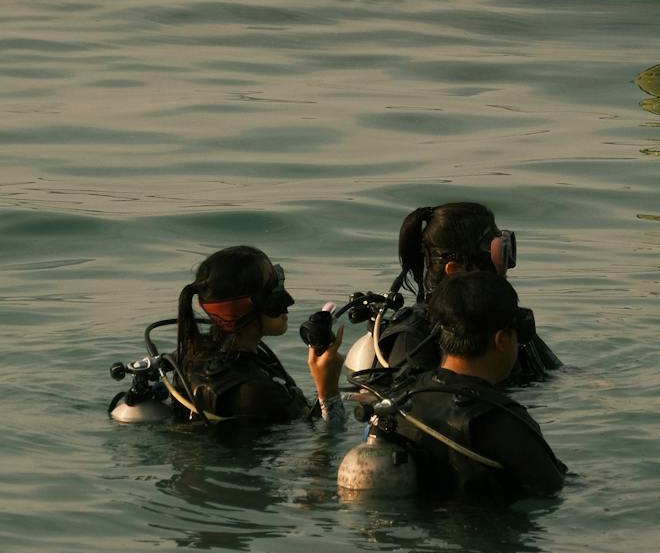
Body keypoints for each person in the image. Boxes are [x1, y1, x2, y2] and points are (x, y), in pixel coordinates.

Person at [390, 272, 567, 505]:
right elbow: (553, 490)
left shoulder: (402, 398)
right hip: (484, 533)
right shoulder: (503, 422)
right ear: (501, 340)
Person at [350, 199, 559, 391]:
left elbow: (556, 374)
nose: (505, 269)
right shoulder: (413, 340)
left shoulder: (501, 320)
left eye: (504, 252)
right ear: (455, 270)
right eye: (496, 257)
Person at [163, 245, 343, 425]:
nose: (289, 300)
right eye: (273, 291)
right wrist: (328, 390)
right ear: (244, 308)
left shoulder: (191, 360)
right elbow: (321, 445)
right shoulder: (256, 391)